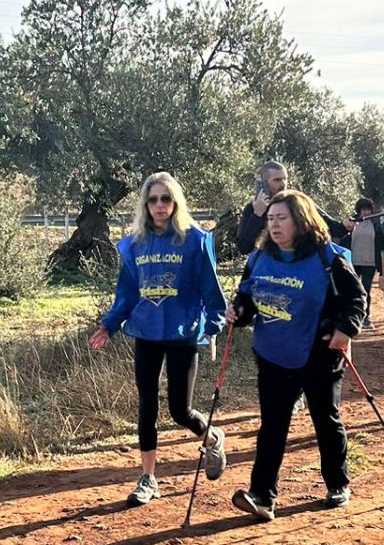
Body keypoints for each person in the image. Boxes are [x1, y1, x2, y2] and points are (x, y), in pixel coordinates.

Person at [89, 173, 228, 506]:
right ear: (145, 204)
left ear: (176, 201)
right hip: (146, 332)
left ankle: (212, 438)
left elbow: (211, 289)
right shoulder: (135, 244)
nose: (160, 206)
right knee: (146, 404)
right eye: (153, 200)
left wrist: (213, 325)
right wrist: (109, 325)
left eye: (166, 199)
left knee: (181, 410)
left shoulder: (194, 240)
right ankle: (148, 478)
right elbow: (126, 293)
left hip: (182, 334)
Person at [227, 190, 367, 519]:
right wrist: (239, 311)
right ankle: (262, 496)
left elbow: (356, 300)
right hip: (273, 353)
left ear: (301, 220)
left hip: (319, 353)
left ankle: (338, 483)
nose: (274, 224)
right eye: (270, 218)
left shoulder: (328, 258)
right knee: (272, 426)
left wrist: (345, 330)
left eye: (282, 218)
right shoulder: (259, 258)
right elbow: (247, 299)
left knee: (325, 419)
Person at [236, 160, 349, 254]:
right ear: (264, 183)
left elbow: (332, 228)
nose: (283, 184)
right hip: (270, 269)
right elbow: (244, 248)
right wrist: (257, 215)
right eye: (277, 180)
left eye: (285, 179)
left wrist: (346, 226)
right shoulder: (252, 209)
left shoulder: (300, 203)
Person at [347, 196, 384, 296]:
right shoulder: (352, 223)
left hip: (370, 262)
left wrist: (382, 265)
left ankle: (366, 310)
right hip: (353, 261)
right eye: (364, 209)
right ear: (359, 210)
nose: (366, 212)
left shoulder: (375, 226)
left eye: (368, 210)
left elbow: (382, 245)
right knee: (353, 288)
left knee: (366, 288)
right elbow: (344, 240)